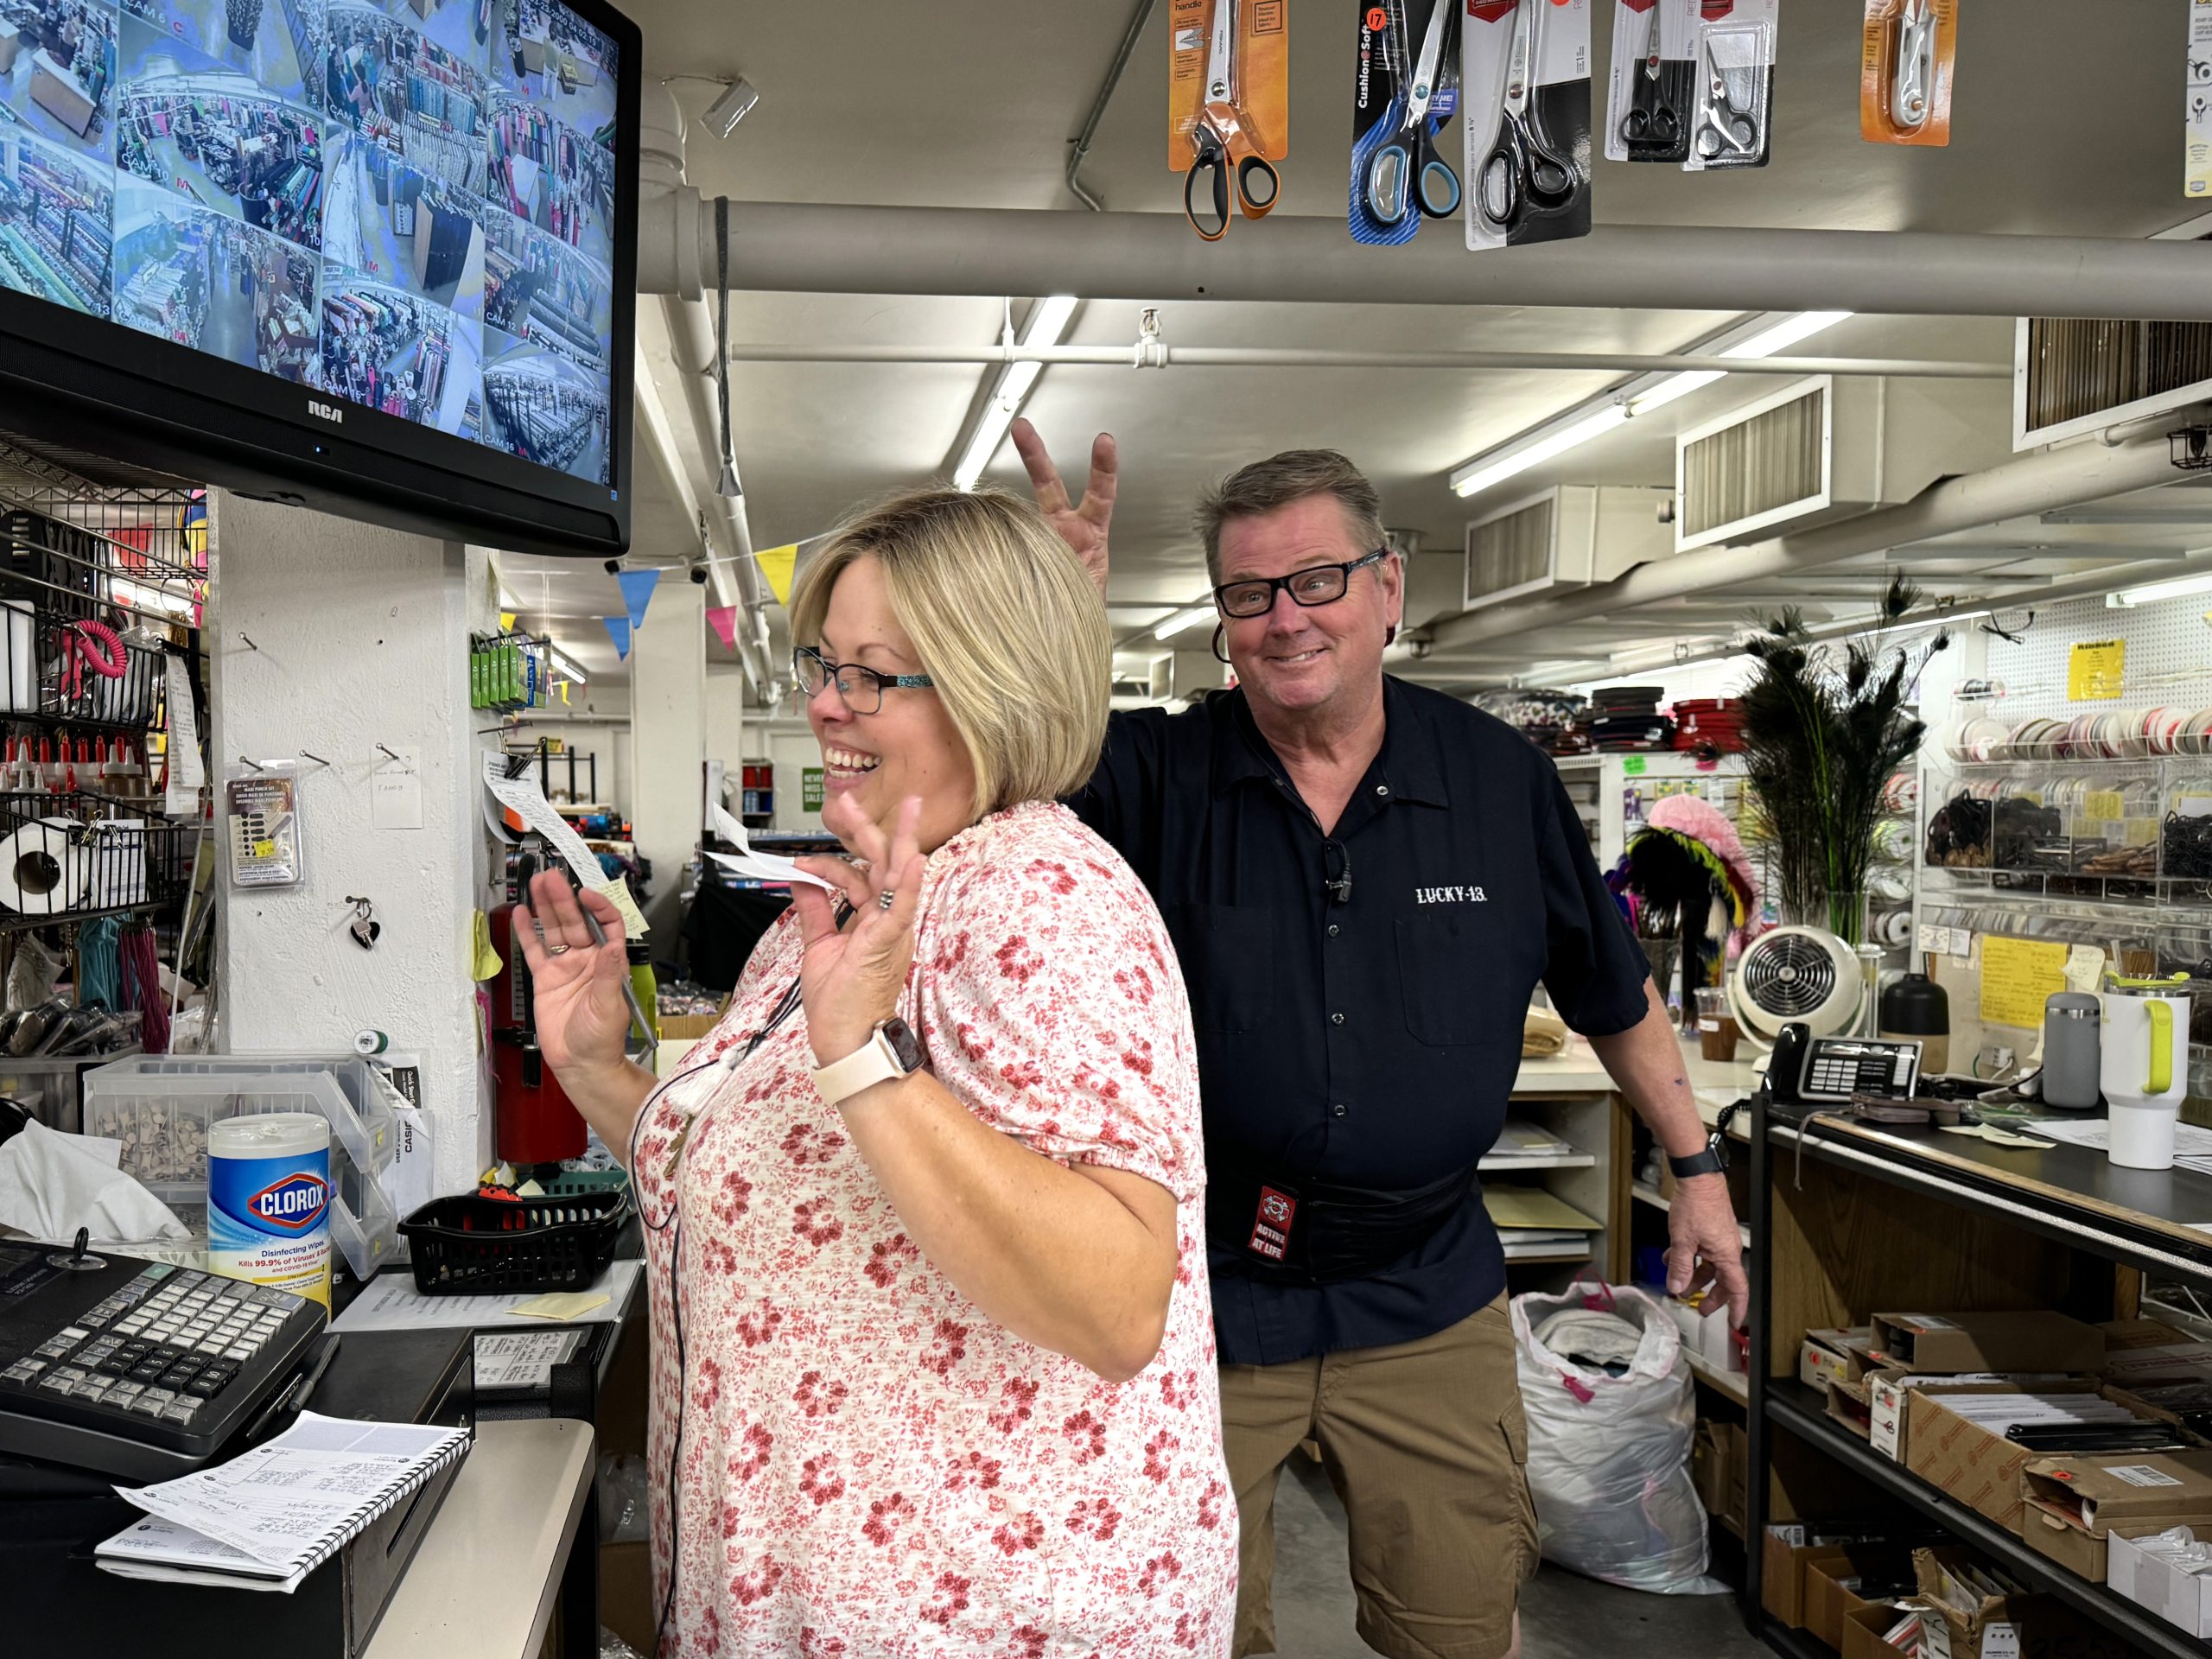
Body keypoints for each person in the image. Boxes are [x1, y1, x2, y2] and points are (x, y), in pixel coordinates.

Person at [1013, 418, 1750, 1659]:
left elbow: (1610, 995)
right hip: (1202, 1298)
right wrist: (1047, 623)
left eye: (1317, 580)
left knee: (1457, 1626)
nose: (1285, 619)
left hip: (1427, 1293)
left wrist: (1697, 1171)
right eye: (1248, 594)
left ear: (1387, 585)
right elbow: (1005, 776)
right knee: (1181, 1630)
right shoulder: (1150, 773)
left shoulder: (1498, 781)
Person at [518, 488, 1238, 1656]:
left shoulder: (1041, 895)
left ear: (994, 684)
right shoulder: (875, 891)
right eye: (824, 664)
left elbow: (1115, 1301)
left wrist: (864, 1063)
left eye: (872, 674)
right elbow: (767, 1184)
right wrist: (602, 1068)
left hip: (978, 1613)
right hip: (830, 1595)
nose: (823, 705)